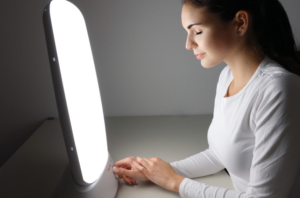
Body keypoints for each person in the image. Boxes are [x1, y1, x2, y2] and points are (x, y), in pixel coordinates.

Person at [113, 0, 300, 197]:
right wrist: (152, 171)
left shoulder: (278, 89)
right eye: (187, 32)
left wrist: (175, 182)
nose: (188, 44)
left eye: (197, 31)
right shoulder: (226, 77)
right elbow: (219, 154)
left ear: (240, 23)